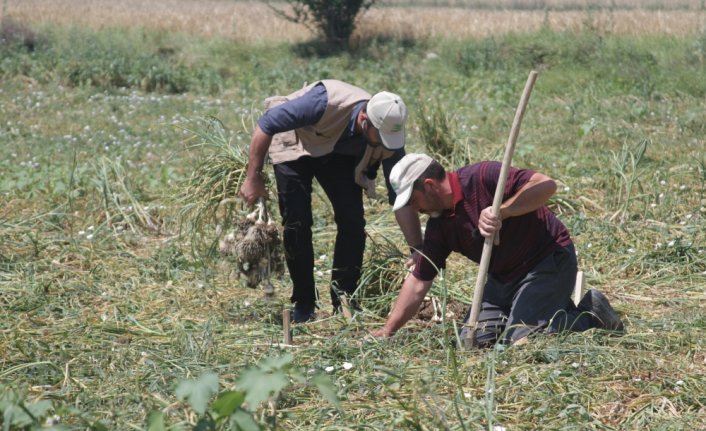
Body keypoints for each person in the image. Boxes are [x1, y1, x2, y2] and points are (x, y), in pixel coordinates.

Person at [372, 153, 624, 346]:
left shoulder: (482, 176)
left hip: (547, 262)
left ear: (429, 185)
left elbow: (546, 185)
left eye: (414, 200)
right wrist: (388, 330)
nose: (415, 209)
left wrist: (503, 210)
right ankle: (538, 311)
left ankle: (590, 312)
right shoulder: (440, 227)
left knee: (522, 342)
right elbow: (418, 282)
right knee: (471, 342)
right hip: (503, 279)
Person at [239, 80, 422, 323]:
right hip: (297, 142)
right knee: (297, 222)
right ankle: (304, 302)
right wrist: (254, 178)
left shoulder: (388, 138)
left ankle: (344, 298)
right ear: (364, 120)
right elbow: (266, 124)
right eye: (381, 136)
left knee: (353, 221)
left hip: (336, 153)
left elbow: (400, 198)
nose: (385, 142)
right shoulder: (323, 102)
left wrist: (418, 250)